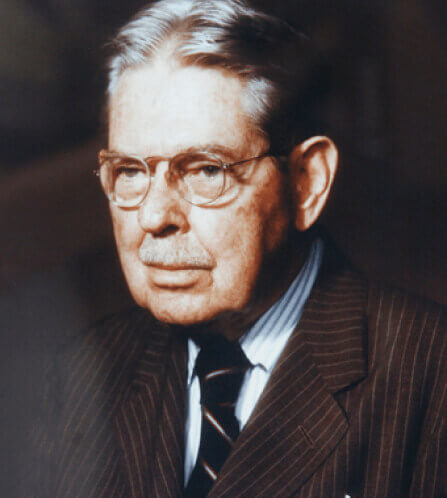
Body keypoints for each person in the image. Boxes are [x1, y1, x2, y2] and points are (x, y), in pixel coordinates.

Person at [31, 1, 446, 496]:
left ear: (307, 182)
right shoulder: (84, 374)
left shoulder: (429, 374)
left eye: (207, 170)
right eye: (130, 172)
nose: (153, 217)